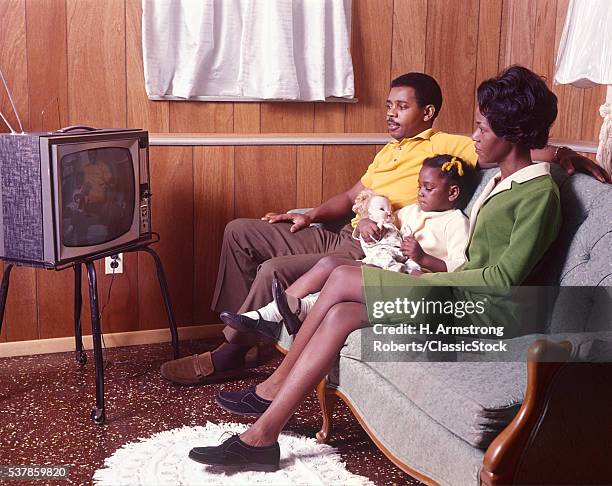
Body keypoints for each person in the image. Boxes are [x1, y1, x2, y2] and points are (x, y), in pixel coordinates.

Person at [187, 65, 563, 471]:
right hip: (458, 297)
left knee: (342, 273)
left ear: (512, 134)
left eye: (482, 129)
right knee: (340, 313)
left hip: (488, 314)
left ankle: (274, 383)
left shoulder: (539, 193)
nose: (473, 137)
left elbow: (502, 279)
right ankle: (263, 435)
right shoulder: (501, 180)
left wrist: (430, 276)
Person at [160, 71, 609, 386]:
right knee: (247, 234)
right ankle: (263, 386)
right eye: (389, 105)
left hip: (413, 264)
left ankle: (243, 352)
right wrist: (310, 214)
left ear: (429, 113)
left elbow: (516, 151)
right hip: (365, 239)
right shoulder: (398, 153)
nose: (391, 114)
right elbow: (353, 192)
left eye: (401, 106)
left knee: (309, 272)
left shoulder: (452, 147)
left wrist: (568, 154)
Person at [219, 154, 475, 342]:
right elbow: (384, 225)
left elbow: (458, 269)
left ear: (452, 193)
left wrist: (424, 258)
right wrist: (364, 222)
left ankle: (264, 320)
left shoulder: (456, 223)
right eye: (419, 186)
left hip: (412, 278)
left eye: (427, 188)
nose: (420, 193)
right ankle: (270, 313)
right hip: (379, 259)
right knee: (329, 265)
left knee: (325, 270)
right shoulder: (410, 210)